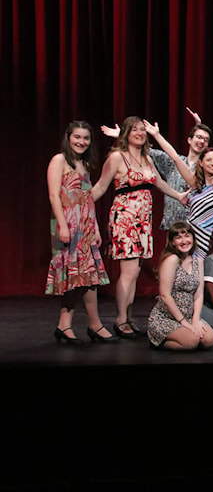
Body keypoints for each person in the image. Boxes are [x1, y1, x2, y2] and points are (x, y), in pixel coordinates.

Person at [91, 117, 187, 337]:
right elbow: (101, 186)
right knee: (130, 270)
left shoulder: (146, 157)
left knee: (134, 272)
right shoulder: (117, 157)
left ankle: (129, 317)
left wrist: (178, 196)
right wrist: (81, 204)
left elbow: (158, 182)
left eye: (143, 130)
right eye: (134, 130)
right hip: (125, 218)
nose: (140, 133)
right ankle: (120, 319)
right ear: (125, 133)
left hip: (143, 221)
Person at [46, 121, 112, 344]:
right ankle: (80, 325)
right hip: (68, 225)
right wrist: (63, 226)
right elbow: (55, 196)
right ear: (68, 137)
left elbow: (88, 200)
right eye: (77, 137)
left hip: (85, 227)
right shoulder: (59, 160)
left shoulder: (83, 163)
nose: (81, 142)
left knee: (87, 277)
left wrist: (94, 228)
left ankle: (75, 325)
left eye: (86, 138)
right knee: (75, 277)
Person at [146, 124, 213, 258]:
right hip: (192, 240)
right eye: (209, 160)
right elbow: (175, 157)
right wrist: (156, 135)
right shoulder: (195, 184)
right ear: (201, 163)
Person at [146, 223, 213, 350]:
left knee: (210, 340)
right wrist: (183, 322)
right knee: (191, 342)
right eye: (178, 237)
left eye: (187, 236)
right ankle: (159, 341)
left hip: (189, 316)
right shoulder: (172, 260)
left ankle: (185, 334)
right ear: (173, 242)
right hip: (167, 318)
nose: (184, 241)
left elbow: (199, 294)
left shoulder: (198, 262)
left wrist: (195, 320)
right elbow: (165, 295)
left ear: (193, 239)